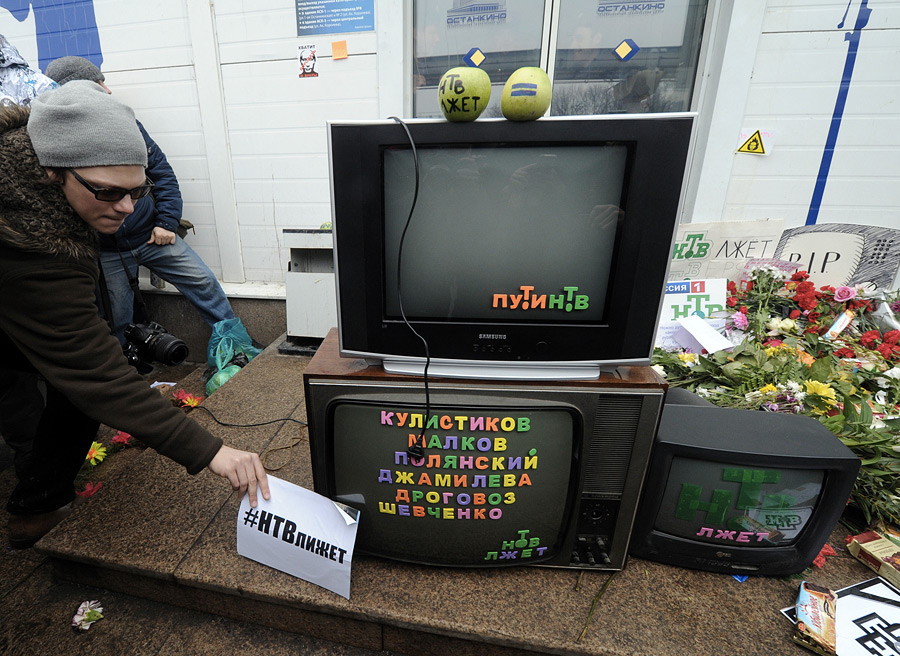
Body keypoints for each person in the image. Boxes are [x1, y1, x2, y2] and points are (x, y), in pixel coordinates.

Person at [0, 81, 269, 549]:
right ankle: (34, 505)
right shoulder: (31, 242)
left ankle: (37, 504)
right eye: (108, 193)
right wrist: (213, 452)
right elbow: (97, 375)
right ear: (51, 172)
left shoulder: (54, 191)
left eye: (136, 191)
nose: (127, 208)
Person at [44, 56, 237, 345]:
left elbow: (162, 174)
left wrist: (167, 223)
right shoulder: (55, 139)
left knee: (204, 284)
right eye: (99, 84)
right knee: (117, 318)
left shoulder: (127, 124)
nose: (108, 91)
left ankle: (237, 346)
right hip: (108, 252)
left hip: (152, 236)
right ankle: (127, 372)